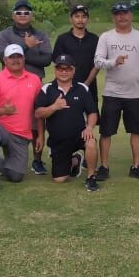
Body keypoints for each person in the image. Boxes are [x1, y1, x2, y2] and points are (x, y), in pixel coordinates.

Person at [93, 2, 139, 180]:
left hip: (135, 93)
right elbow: (97, 61)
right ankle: (103, 167)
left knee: (136, 131)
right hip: (112, 92)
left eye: (125, 13)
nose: (122, 17)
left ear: (131, 15)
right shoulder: (106, 37)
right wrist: (113, 62)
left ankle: (136, 166)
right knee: (106, 131)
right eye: (118, 14)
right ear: (113, 17)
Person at [0, 0, 52, 175]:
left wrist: (19, 57)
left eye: (26, 13)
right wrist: (26, 47)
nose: (22, 15)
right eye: (19, 12)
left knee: (36, 122)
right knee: (9, 120)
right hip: (9, 84)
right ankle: (11, 158)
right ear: (13, 15)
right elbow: (1, 57)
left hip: (34, 83)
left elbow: (47, 59)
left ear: (31, 15)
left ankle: (37, 160)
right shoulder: (4, 35)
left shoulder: (40, 35)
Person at [34, 54, 101, 192]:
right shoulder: (47, 89)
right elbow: (38, 114)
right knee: (59, 180)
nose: (64, 72)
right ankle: (75, 160)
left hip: (79, 135)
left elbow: (92, 112)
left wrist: (89, 127)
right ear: (55, 70)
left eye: (67, 69)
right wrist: (54, 107)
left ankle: (91, 177)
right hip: (58, 140)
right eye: (60, 69)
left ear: (73, 70)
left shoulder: (82, 88)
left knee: (91, 142)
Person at [0, 44, 42, 192]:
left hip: (21, 134)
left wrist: (40, 135)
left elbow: (39, 110)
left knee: (16, 176)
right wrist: (3, 110)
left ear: (24, 58)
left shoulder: (35, 80)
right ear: (5, 60)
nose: (15, 60)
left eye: (18, 57)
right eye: (11, 57)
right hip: (0, 127)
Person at [52, 4, 100, 104]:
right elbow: (58, 65)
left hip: (89, 86)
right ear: (71, 19)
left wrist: (87, 83)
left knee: (91, 116)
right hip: (67, 87)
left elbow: (97, 64)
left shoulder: (94, 39)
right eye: (77, 16)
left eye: (83, 16)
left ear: (87, 19)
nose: (80, 20)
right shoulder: (62, 39)